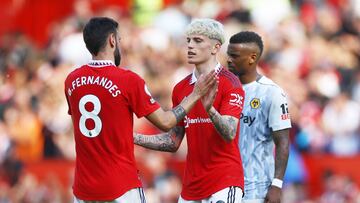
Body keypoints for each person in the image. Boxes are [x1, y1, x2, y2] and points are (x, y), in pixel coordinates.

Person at [64, 17, 217, 202]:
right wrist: (195, 94)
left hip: (83, 189)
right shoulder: (128, 80)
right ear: (112, 40)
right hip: (121, 186)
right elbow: (167, 122)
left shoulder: (72, 80)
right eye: (119, 40)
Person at [134, 18, 245, 203]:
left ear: (215, 47)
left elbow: (230, 133)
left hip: (224, 182)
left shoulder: (230, 83)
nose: (190, 46)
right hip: (192, 187)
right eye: (189, 41)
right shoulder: (180, 88)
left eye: (198, 41)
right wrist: (131, 137)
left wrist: (210, 110)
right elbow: (172, 141)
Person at [227, 31, 291, 203]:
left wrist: (277, 184)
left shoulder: (271, 92)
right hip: (223, 186)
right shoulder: (222, 89)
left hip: (257, 187)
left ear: (252, 57)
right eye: (228, 54)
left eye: (234, 56)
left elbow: (283, 141)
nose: (228, 59)